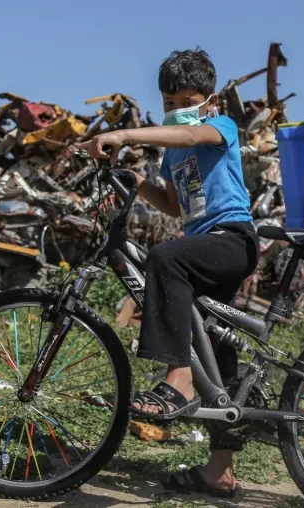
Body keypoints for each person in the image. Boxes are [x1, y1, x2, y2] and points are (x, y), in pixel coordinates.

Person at [77, 48, 256, 498]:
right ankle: (219, 472)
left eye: (185, 102)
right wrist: (136, 182)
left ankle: (177, 379)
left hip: (231, 240)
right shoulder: (171, 158)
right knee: (218, 354)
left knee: (165, 257)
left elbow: (193, 139)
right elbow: (175, 205)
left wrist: (125, 133)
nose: (177, 111)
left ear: (209, 100)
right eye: (169, 103)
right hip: (206, 245)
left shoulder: (219, 127)